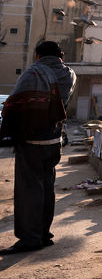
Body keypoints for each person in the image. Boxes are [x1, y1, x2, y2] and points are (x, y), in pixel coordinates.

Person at [0, 42, 76, 255]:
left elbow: (13, 103)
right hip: (55, 139)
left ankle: (29, 239)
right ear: (61, 55)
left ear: (38, 55)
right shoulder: (70, 74)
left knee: (29, 189)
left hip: (32, 140)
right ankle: (44, 234)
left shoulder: (32, 72)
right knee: (47, 186)